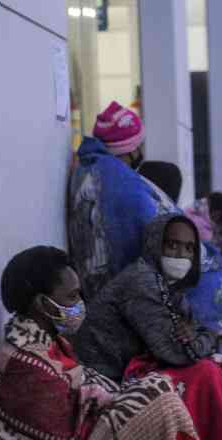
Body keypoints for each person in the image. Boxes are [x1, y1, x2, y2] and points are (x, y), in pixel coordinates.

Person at [74, 214, 222, 440]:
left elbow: (194, 335)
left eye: (188, 248)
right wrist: (208, 336)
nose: (180, 254)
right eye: (172, 245)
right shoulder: (142, 281)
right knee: (206, 373)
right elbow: (177, 352)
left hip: (132, 370)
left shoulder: (168, 287)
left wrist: (199, 337)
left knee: (217, 365)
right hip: (106, 379)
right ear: (155, 244)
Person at [0, 246, 202, 440]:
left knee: (161, 387)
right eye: (72, 296)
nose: (80, 305)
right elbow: (72, 434)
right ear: (42, 304)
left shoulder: (49, 344)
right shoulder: (21, 366)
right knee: (160, 403)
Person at [68, 101, 178, 301]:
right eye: (139, 145)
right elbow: (149, 238)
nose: (142, 151)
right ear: (129, 149)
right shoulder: (121, 185)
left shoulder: (90, 169)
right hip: (122, 300)